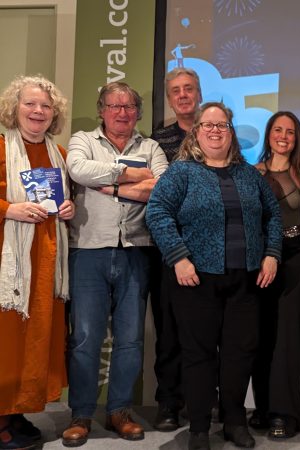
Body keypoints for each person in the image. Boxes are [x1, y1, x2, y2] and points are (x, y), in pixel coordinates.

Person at [145, 102, 282, 450]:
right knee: (198, 354)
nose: (215, 130)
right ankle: (200, 428)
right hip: (196, 279)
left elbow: (274, 217)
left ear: (231, 132)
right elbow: (157, 211)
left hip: (245, 280)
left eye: (222, 125)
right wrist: (178, 257)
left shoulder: (249, 175)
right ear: (197, 132)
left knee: (239, 354)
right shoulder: (181, 173)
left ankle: (235, 421)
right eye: (208, 125)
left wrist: (271, 254)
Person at [63, 82, 168, 447]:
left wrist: (110, 184)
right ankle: (81, 413)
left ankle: (120, 410)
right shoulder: (82, 140)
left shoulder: (151, 147)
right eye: (114, 106)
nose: (122, 112)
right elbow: (77, 169)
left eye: (129, 107)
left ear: (138, 112)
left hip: (136, 251)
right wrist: (131, 174)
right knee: (85, 338)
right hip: (88, 251)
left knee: (130, 340)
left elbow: (161, 186)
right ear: (102, 110)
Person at [0, 75, 74, 450]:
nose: (38, 111)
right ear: (15, 108)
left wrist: (69, 206)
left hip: (45, 265)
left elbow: (64, 203)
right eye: (30, 104)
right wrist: (10, 208)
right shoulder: (0, 148)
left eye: (46, 106)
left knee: (35, 340)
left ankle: (16, 412)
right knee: (6, 339)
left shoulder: (58, 154)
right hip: (9, 267)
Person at [249, 112, 300, 438]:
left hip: (296, 260)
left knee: (288, 338)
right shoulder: (251, 173)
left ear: (296, 137)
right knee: (260, 337)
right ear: (269, 134)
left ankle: (286, 414)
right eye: (278, 130)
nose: (284, 136)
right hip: (260, 263)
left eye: (290, 131)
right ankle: (262, 408)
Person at [150, 67, 202, 432]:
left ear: (199, 93)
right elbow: (157, 190)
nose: (182, 95)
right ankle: (169, 402)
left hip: (209, 250)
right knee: (168, 332)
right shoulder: (157, 140)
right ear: (169, 98)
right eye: (176, 91)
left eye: (188, 89)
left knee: (204, 332)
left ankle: (203, 400)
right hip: (168, 250)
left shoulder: (217, 132)